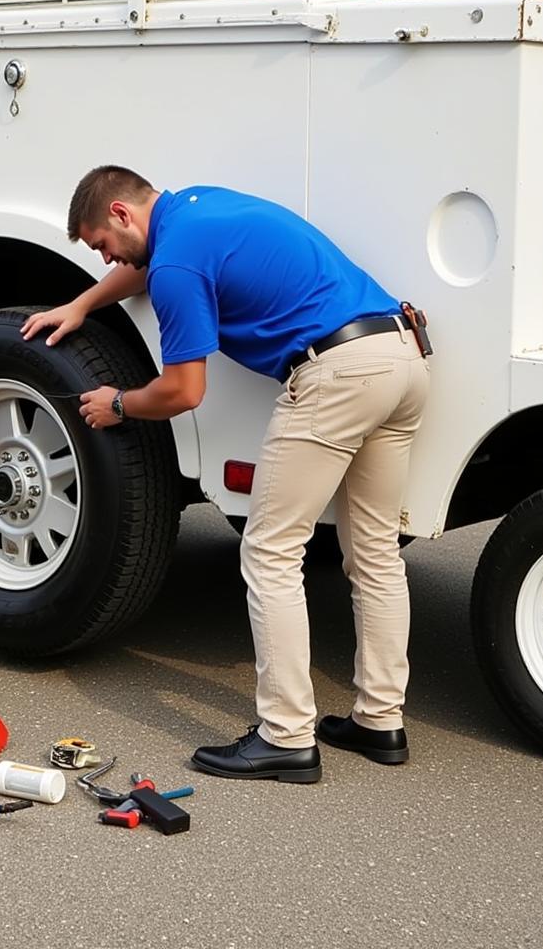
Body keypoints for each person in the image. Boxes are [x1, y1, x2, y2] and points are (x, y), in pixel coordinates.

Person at [22, 166, 431, 783]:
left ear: (122, 216)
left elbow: (184, 390)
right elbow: (143, 266)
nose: (104, 260)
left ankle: (287, 737)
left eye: (101, 246)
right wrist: (81, 305)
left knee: (269, 552)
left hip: (337, 376)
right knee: (373, 553)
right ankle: (380, 719)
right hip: (400, 359)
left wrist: (119, 404)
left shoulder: (174, 267)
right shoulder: (193, 206)